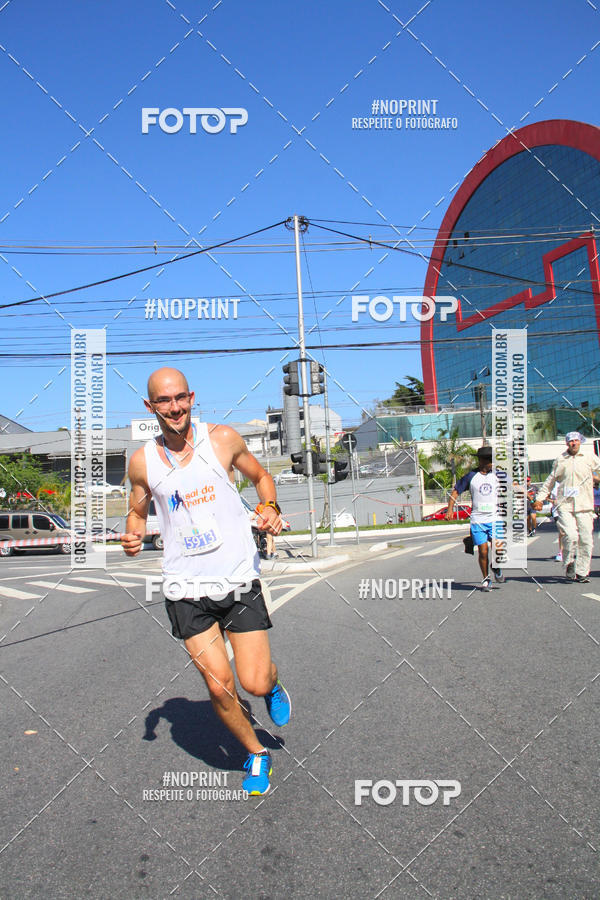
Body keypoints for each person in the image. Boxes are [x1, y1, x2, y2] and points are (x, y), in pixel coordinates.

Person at [121, 367, 291, 795]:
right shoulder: (142, 461)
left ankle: (271, 683)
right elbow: (137, 512)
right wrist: (133, 536)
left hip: (236, 581)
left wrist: (268, 506)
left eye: (180, 398)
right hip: (184, 588)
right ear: (150, 406)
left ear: (192, 397)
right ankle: (256, 754)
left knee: (252, 681)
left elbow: (261, 478)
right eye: (164, 401)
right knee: (218, 684)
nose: (174, 407)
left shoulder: (222, 439)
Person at [534, 431, 600, 583]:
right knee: (570, 536)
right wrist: (539, 499)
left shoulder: (589, 457)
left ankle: (582, 571)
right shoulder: (560, 460)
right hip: (565, 505)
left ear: (580, 442)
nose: (574, 443)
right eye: (571, 441)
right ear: (567, 443)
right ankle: (569, 562)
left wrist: (596, 478)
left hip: (585, 504)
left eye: (576, 441)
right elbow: (550, 481)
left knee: (586, 540)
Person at [446, 445, 506, 591]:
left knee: (499, 549)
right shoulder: (470, 477)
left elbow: (514, 486)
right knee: (483, 550)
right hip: (478, 520)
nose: (491, 462)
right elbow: (455, 492)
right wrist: (450, 510)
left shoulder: (499, 475)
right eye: (488, 459)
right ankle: (486, 579)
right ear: (480, 460)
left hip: (495, 518)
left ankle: (495, 567)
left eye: (492, 459)